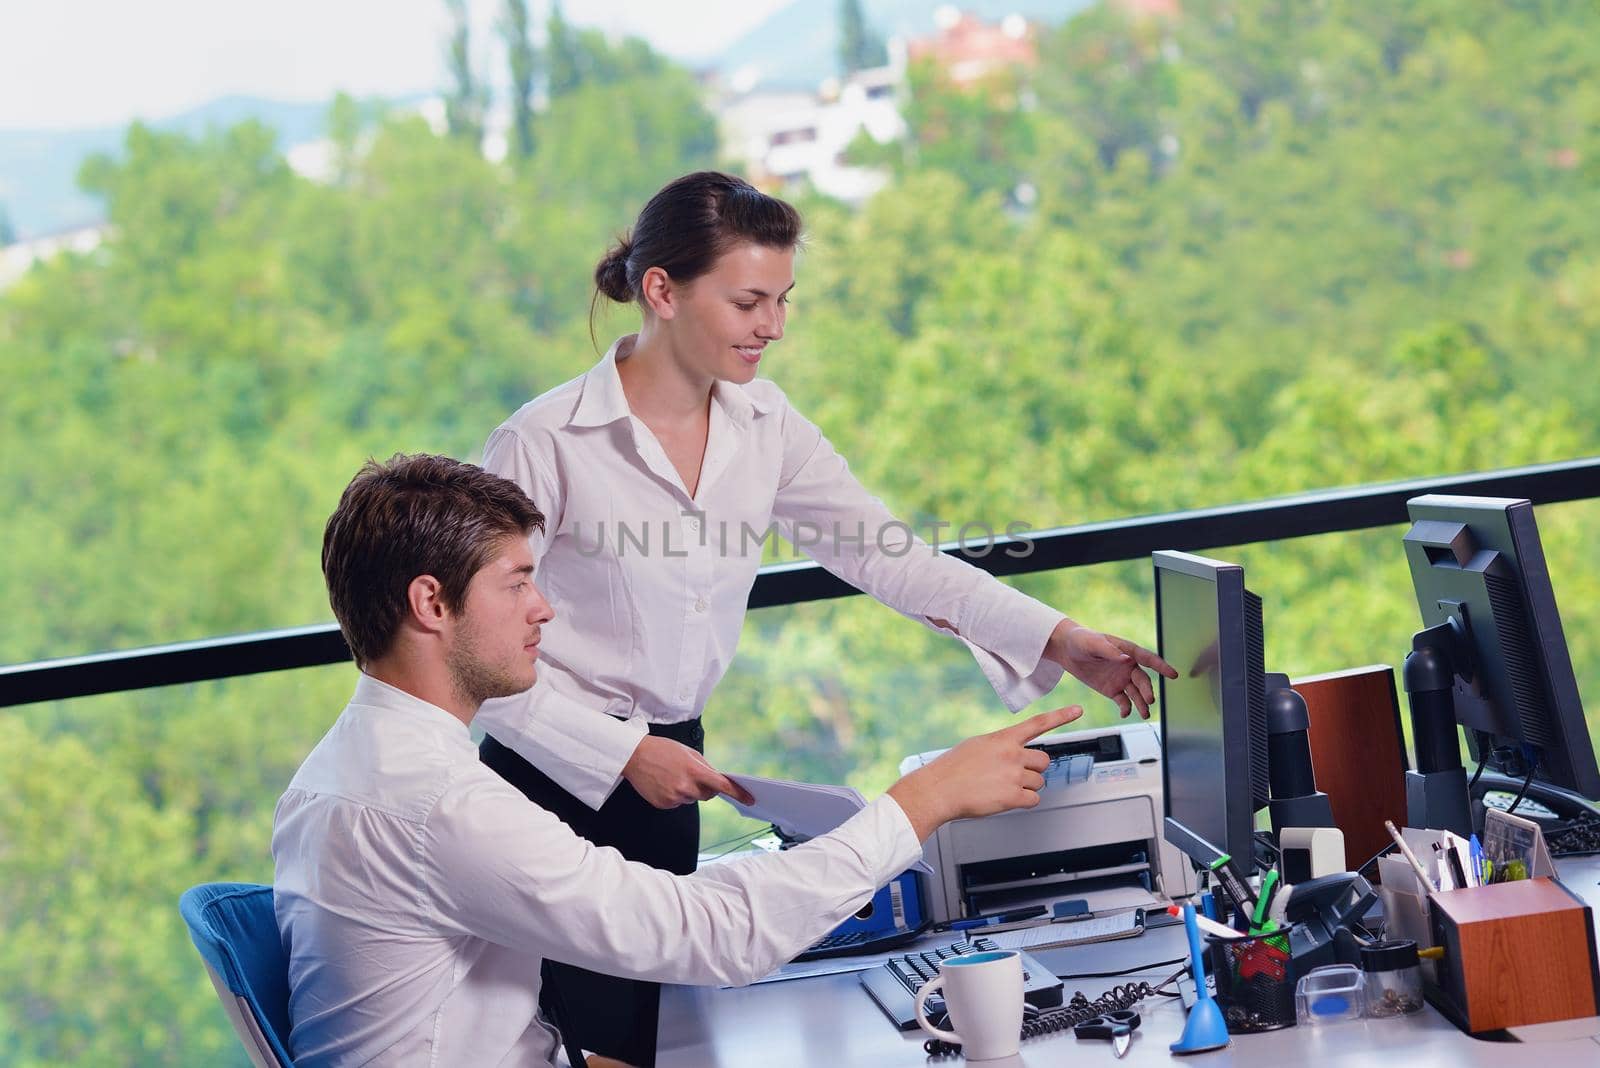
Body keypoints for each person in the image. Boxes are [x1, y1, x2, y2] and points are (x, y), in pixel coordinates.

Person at [475, 170, 1177, 1064]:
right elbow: (474, 664)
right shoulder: (543, 443)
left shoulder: (766, 424)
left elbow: (893, 558)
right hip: (550, 784)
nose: (772, 326)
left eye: (783, 300)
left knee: (658, 1036)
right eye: (748, 301)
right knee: (577, 1047)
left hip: (673, 773)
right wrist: (621, 755)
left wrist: (1058, 638)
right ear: (662, 291)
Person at [272, 453, 1076, 1068]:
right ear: (430, 603)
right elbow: (712, 937)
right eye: (517, 583)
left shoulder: (347, 767)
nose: (544, 608)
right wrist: (922, 801)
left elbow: (653, 911)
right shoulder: (435, 802)